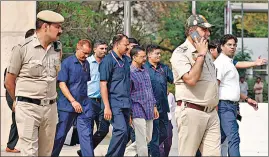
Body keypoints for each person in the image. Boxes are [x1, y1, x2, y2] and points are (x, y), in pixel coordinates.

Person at [5, 10, 64, 156]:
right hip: (28, 108)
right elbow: (9, 82)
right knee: (30, 152)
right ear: (45, 26)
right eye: (57, 27)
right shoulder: (22, 48)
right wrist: (18, 101)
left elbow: (55, 75)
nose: (61, 30)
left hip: (50, 108)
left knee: (46, 152)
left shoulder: (57, 48)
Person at [170, 14, 220, 156]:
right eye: (203, 29)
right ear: (191, 30)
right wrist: (201, 55)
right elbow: (191, 80)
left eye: (208, 30)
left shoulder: (206, 52)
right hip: (192, 111)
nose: (208, 33)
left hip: (211, 112)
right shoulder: (180, 53)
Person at [214, 34, 258, 157]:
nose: (232, 47)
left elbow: (231, 87)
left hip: (231, 107)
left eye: (234, 45)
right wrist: (215, 105)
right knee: (233, 138)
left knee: (220, 140)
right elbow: (215, 86)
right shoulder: (221, 63)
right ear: (222, 46)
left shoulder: (229, 62)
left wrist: (247, 99)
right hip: (224, 106)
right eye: (229, 45)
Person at [52, 39, 95, 157]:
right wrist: (73, 101)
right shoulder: (66, 63)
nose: (86, 56)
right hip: (67, 106)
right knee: (61, 135)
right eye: (84, 53)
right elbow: (62, 84)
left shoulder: (86, 64)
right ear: (78, 48)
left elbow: (84, 83)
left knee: (86, 135)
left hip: (84, 106)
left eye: (88, 54)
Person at [4, 28, 35, 153]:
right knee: (17, 120)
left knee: (17, 121)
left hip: (22, 95)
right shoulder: (14, 64)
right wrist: (15, 100)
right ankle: (10, 146)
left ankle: (11, 146)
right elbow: (8, 84)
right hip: (14, 95)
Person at [99, 34, 131, 157]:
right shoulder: (108, 61)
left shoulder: (126, 60)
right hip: (114, 103)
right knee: (120, 130)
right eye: (125, 44)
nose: (127, 47)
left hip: (126, 102)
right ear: (117, 44)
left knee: (126, 132)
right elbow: (103, 85)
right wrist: (107, 106)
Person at [124, 46, 159, 156]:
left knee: (147, 138)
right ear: (134, 57)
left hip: (149, 108)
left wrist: (154, 106)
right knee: (142, 140)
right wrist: (129, 113)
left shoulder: (145, 71)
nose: (145, 59)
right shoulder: (129, 72)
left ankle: (126, 153)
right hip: (137, 109)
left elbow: (150, 90)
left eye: (145, 56)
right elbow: (127, 94)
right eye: (142, 57)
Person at [77, 40, 109, 157]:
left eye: (106, 49)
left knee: (104, 129)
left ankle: (84, 151)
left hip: (103, 102)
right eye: (101, 48)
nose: (104, 51)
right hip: (89, 100)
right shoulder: (87, 62)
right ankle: (88, 153)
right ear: (95, 49)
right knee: (88, 130)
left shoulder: (107, 63)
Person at [144, 44, 174, 157]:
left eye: (160, 53)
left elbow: (174, 79)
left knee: (164, 133)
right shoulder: (144, 68)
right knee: (154, 135)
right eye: (157, 53)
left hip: (163, 107)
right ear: (149, 55)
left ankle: (148, 149)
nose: (159, 55)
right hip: (150, 107)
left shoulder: (164, 68)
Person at [159, 90, 177, 157]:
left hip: (168, 121)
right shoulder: (156, 92)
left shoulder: (171, 95)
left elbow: (173, 108)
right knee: (159, 145)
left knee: (168, 143)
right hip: (158, 121)